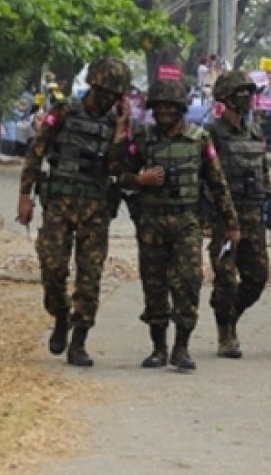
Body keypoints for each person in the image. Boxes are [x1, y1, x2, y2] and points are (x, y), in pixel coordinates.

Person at [111, 79, 240, 371]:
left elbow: (218, 184)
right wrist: (139, 180)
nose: (165, 112)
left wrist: (232, 224)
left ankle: (182, 347)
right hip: (152, 223)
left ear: (182, 108)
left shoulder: (199, 140)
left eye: (171, 107)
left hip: (187, 222)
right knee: (154, 285)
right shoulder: (142, 139)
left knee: (188, 282)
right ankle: (159, 347)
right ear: (153, 110)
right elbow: (117, 173)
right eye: (160, 107)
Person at [16, 57, 132, 367]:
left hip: (95, 210)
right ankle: (60, 314)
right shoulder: (65, 112)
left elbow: (120, 170)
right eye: (105, 91)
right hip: (60, 204)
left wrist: (121, 134)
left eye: (115, 94)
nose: (109, 98)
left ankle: (79, 340)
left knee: (89, 277)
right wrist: (24, 197)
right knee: (52, 266)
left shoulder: (117, 125)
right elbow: (36, 152)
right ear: (93, 86)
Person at [204, 71, 271, 358]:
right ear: (227, 99)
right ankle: (225, 333)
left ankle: (230, 314)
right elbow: (205, 176)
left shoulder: (255, 133)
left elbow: (264, 172)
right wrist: (209, 217)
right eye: (242, 94)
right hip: (224, 218)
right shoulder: (212, 134)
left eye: (249, 94)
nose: (248, 100)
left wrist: (269, 208)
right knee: (226, 278)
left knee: (257, 277)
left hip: (253, 215)